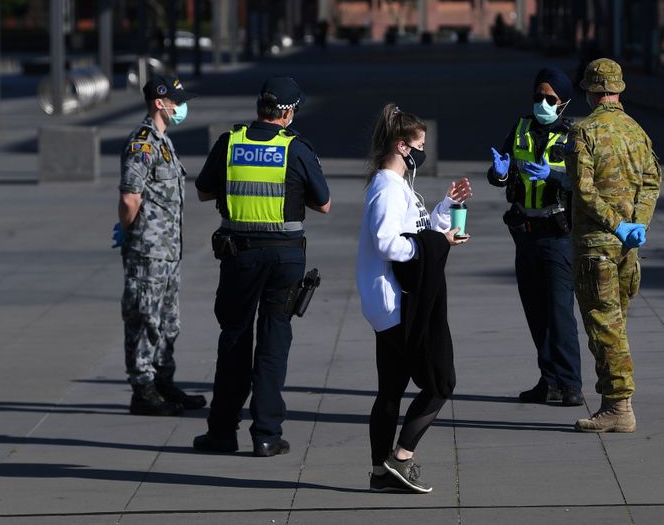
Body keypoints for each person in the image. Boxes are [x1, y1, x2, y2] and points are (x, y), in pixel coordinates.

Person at [192, 77, 331, 457]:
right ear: (287, 113)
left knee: (235, 338)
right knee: (273, 342)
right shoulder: (297, 148)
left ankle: (221, 432)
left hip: (240, 255)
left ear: (259, 107)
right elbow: (324, 204)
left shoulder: (230, 142)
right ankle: (267, 434)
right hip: (285, 257)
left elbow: (204, 191)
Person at [357, 103, 472, 494]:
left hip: (391, 303)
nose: (423, 151)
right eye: (420, 144)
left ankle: (379, 474)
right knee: (441, 382)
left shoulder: (396, 184)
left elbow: (415, 231)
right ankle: (400, 458)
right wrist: (440, 241)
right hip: (399, 303)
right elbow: (390, 243)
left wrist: (446, 208)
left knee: (390, 388)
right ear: (404, 145)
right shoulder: (388, 187)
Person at [565, 58, 662, 433]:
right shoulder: (637, 131)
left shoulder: (584, 131)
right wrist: (637, 224)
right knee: (616, 323)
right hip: (628, 249)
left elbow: (585, 191)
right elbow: (652, 181)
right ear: (619, 90)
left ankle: (618, 406)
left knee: (605, 326)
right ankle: (616, 402)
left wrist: (617, 225)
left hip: (596, 247)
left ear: (590, 92)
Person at [487, 67, 584, 407]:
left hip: (557, 236)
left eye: (550, 98)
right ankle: (549, 380)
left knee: (559, 313)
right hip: (525, 233)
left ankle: (570, 383)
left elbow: (584, 183)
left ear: (564, 102)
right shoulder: (521, 127)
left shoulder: (575, 134)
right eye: (538, 96)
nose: (542, 103)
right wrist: (499, 173)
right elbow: (501, 170)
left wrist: (554, 176)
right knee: (535, 311)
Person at [114, 74, 206, 416]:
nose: (181, 108)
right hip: (147, 250)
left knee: (168, 320)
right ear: (159, 102)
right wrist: (127, 230)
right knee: (144, 317)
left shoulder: (163, 141)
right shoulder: (144, 143)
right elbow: (129, 197)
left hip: (167, 251)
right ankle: (143, 388)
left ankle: (164, 381)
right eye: (177, 102)